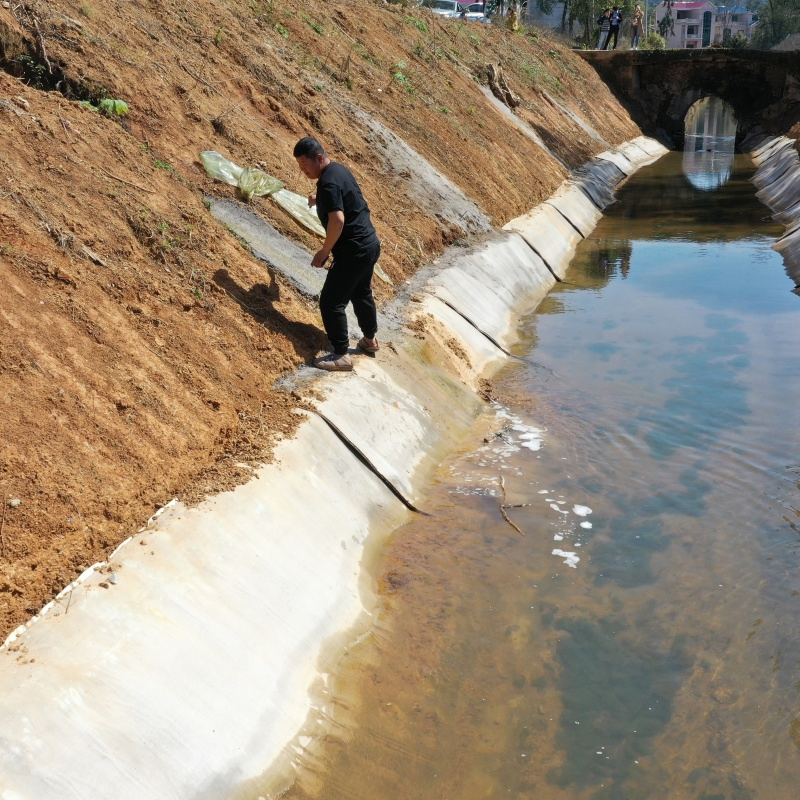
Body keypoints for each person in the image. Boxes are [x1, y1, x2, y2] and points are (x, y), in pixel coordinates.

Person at [293, 137, 381, 372]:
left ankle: (341, 354)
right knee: (361, 292)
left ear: (319, 158)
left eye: (305, 165)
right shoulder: (338, 170)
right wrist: (318, 199)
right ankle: (370, 340)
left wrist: (324, 251)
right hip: (369, 244)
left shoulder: (328, 183)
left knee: (331, 301)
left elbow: (338, 219)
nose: (303, 171)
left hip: (352, 250)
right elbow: (345, 198)